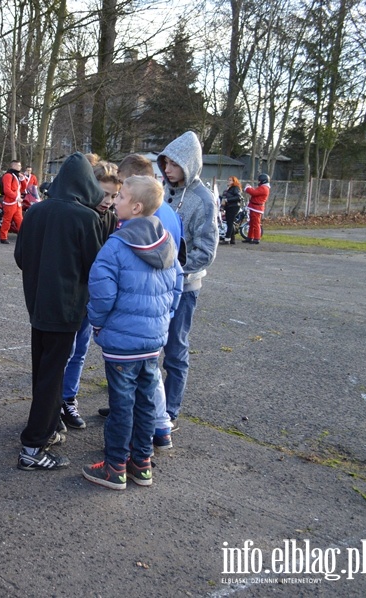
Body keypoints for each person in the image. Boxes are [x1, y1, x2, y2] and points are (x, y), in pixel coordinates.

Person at [81, 175, 183, 490]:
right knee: (146, 401)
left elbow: (100, 293)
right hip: (152, 341)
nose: (115, 201)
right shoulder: (166, 241)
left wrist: (97, 323)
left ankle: (114, 467)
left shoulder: (116, 245)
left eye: (121, 197)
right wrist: (163, 319)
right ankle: (141, 463)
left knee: (122, 405)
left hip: (122, 343)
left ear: (136, 207)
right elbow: (177, 285)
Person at [14, 152, 103, 470]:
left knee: (44, 372)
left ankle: (46, 430)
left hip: (37, 305)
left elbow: (20, 256)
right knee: (53, 376)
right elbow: (95, 266)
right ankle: (33, 446)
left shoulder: (36, 212)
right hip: (66, 309)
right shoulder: (86, 218)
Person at [157, 131, 219, 430]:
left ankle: (170, 411)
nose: (167, 169)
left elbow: (206, 251)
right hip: (158, 285)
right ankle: (147, 404)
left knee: (175, 350)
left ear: (189, 163)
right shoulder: (163, 193)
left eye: (174, 164)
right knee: (149, 345)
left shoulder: (203, 200)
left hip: (185, 286)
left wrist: (177, 270)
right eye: (165, 162)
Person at [59, 154, 120, 430]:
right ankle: (54, 401)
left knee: (80, 350)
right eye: (103, 194)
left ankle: (68, 399)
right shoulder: (76, 216)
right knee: (63, 351)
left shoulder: (111, 219)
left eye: (113, 196)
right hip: (68, 298)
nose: (107, 200)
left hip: (91, 301)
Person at [0, 160, 24, 244]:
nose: (20, 167)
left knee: (20, 220)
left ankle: (22, 237)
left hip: (17, 203)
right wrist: (16, 197)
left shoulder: (16, 175)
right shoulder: (8, 176)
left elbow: (23, 188)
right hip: (10, 202)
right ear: (14, 166)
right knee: (7, 220)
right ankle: (3, 237)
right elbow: (7, 190)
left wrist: (22, 179)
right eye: (19, 166)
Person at [243, 173, 270, 244]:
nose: (259, 182)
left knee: (256, 223)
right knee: (251, 223)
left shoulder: (264, 188)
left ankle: (256, 238)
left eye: (259, 181)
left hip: (257, 208)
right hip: (254, 207)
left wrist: (248, 188)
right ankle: (250, 237)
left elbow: (254, 193)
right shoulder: (263, 187)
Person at [219, 176, 243, 245]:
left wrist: (227, 200)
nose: (228, 181)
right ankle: (232, 239)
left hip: (233, 207)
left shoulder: (235, 188)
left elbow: (238, 197)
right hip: (229, 207)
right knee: (230, 223)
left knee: (230, 223)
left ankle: (227, 239)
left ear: (234, 181)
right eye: (228, 180)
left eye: (230, 180)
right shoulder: (229, 189)